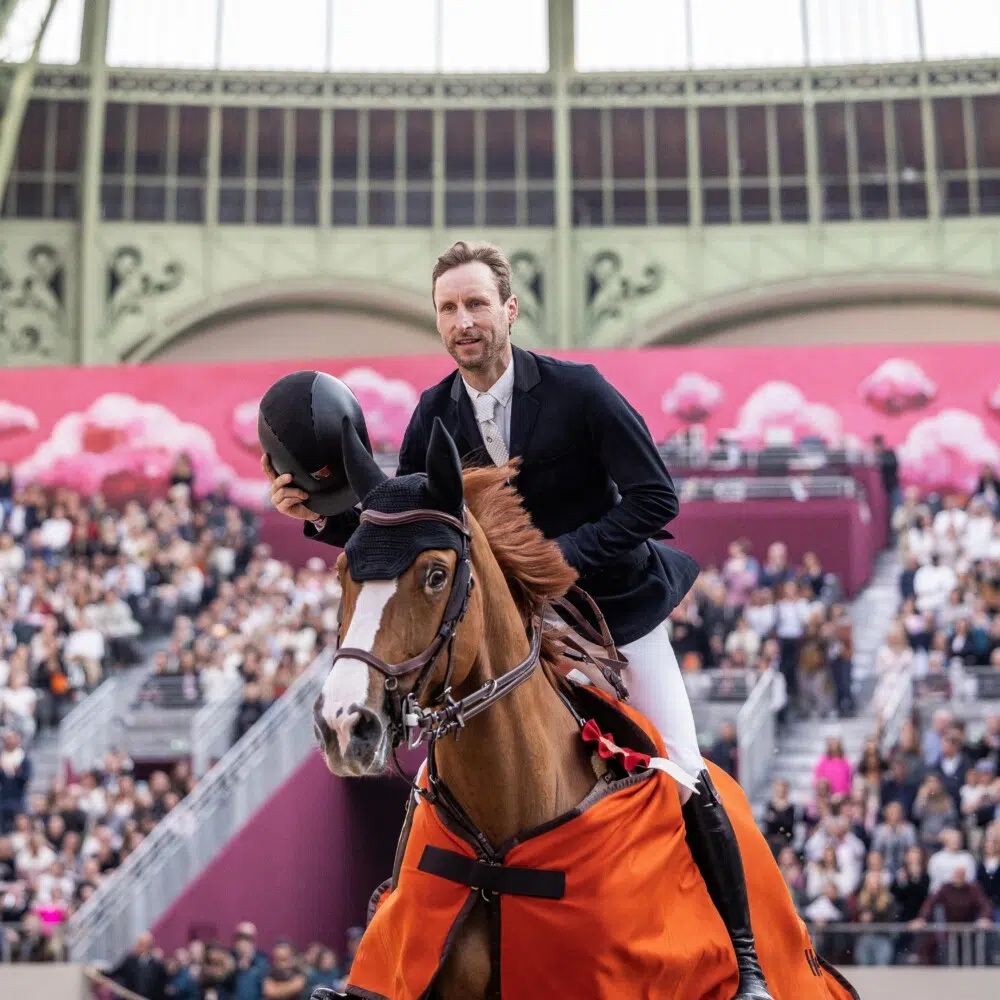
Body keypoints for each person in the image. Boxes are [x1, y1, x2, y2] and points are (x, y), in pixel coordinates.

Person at [264, 240, 772, 999]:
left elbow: (656, 499)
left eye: (475, 304)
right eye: (447, 308)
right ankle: (385, 962)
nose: (462, 321)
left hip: (614, 617)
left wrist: (556, 558)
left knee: (684, 766)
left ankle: (749, 967)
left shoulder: (580, 391)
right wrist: (317, 519)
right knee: (438, 778)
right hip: (511, 628)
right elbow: (412, 534)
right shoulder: (435, 413)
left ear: (509, 309)